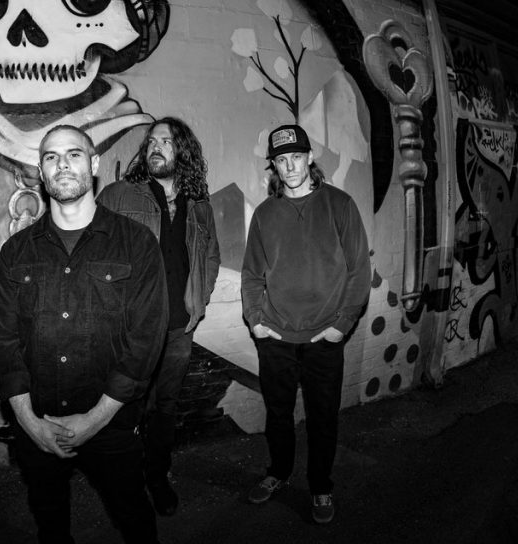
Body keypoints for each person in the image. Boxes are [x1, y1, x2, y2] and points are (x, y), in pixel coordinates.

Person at [0, 125, 168, 543]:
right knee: (49, 519)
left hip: (112, 422)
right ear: (41, 171)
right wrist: (28, 422)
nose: (63, 164)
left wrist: (94, 419)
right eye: (51, 157)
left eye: (74, 154)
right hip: (39, 420)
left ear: (94, 163)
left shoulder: (137, 243)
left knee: (134, 518)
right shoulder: (16, 251)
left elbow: (146, 340)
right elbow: (4, 340)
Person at [240, 124, 371, 525]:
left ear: (310, 158)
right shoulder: (265, 214)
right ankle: (279, 473)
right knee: (278, 415)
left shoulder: (339, 205)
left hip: (324, 337)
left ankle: (320, 486)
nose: (290, 166)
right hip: (276, 336)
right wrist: (256, 321)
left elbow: (359, 271)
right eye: (281, 160)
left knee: (322, 418)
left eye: (296, 157)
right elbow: (252, 274)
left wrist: (341, 325)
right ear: (274, 166)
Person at [96, 117, 220, 515]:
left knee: (164, 407)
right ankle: (125, 480)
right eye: (151, 140)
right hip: (132, 327)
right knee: (125, 403)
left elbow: (210, 257)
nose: (155, 146)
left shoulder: (199, 206)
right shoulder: (118, 195)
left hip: (179, 328)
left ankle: (157, 477)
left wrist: (199, 301)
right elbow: (92, 253)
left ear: (183, 150)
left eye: (165, 141)